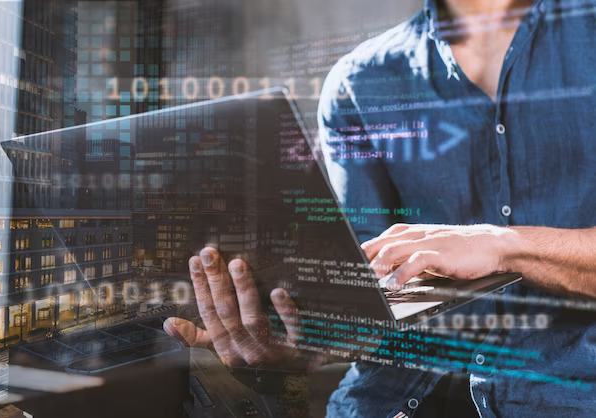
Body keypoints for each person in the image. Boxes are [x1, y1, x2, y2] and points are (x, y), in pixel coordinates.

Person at [164, 0, 596, 416]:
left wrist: (504, 246)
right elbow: (367, 303)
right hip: (390, 403)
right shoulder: (358, 82)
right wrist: (298, 344)